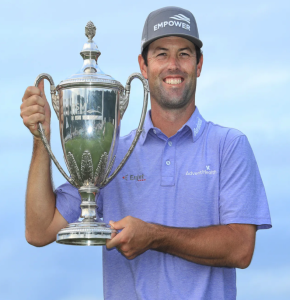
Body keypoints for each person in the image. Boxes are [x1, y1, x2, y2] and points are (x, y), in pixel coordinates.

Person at [20, 6, 272, 300]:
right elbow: (39, 231)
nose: (173, 65)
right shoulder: (113, 152)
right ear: (143, 66)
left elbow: (241, 248)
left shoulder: (229, 145)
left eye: (185, 53)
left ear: (199, 65)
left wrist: (153, 236)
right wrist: (41, 140)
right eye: (161, 53)